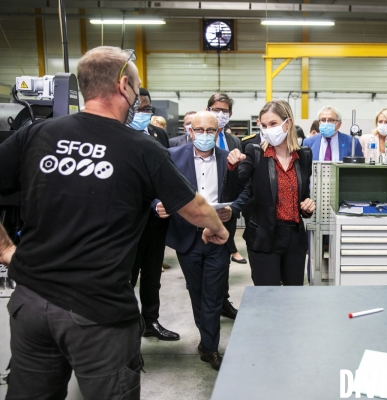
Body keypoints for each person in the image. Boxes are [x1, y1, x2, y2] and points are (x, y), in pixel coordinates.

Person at [0, 46, 229, 399]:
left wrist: (6, 249)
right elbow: (195, 207)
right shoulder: (140, 148)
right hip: (98, 312)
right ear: (124, 86)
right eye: (137, 88)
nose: (138, 97)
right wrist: (219, 228)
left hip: (30, 302)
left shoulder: (37, 134)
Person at [158, 111, 248, 370]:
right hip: (187, 237)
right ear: (190, 131)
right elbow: (153, 189)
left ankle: (210, 348)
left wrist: (233, 209)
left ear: (218, 132)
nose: (205, 135)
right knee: (196, 292)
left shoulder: (228, 160)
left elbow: (244, 192)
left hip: (218, 237)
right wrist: (157, 205)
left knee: (213, 294)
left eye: (211, 131)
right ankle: (205, 337)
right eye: (199, 130)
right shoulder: (173, 157)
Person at [227, 100, 316, 286]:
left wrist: (308, 206)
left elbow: (304, 195)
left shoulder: (304, 155)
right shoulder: (254, 152)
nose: (268, 130)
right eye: (264, 125)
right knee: (267, 298)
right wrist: (232, 168)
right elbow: (232, 191)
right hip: (264, 237)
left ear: (288, 123)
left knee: (294, 296)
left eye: (273, 124)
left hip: (294, 238)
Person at [129, 87, 179, 341]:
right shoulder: (117, 134)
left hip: (156, 219)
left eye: (146, 108)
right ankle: (128, 330)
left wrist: (162, 200)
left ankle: (151, 320)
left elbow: (165, 173)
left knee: (152, 274)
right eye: (137, 108)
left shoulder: (158, 134)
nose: (142, 112)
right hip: (127, 223)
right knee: (127, 276)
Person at [207, 92, 245, 319]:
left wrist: (233, 207)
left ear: (230, 115)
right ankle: (209, 303)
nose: (220, 114)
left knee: (223, 261)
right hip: (203, 208)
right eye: (216, 109)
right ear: (208, 110)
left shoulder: (234, 141)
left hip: (226, 210)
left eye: (224, 111)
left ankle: (223, 301)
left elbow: (238, 178)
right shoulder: (198, 136)